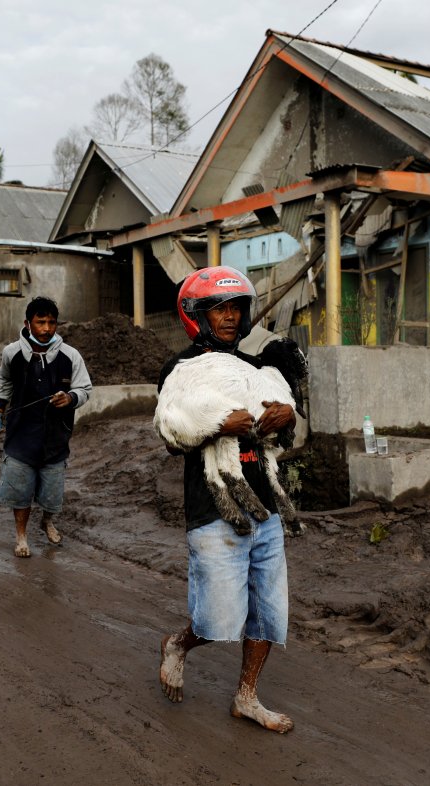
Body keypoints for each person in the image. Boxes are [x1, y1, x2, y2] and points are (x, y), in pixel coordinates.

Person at [155, 266, 304, 734]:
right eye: (218, 307)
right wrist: (219, 425)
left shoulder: (256, 368)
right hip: (214, 507)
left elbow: (284, 434)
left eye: (236, 307)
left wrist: (287, 419)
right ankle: (179, 643)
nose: (229, 316)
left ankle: (247, 697)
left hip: (266, 504)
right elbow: (173, 437)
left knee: (268, 611)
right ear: (197, 315)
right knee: (219, 615)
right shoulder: (179, 370)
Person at [0, 296, 92, 558]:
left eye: (51, 323)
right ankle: (21, 536)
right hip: (21, 436)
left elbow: (85, 389)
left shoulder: (71, 355)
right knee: (21, 492)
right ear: (28, 323)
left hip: (56, 438)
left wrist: (70, 398)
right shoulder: (12, 353)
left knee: (52, 493)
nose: (46, 328)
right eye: (40, 322)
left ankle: (47, 520)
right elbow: (5, 382)